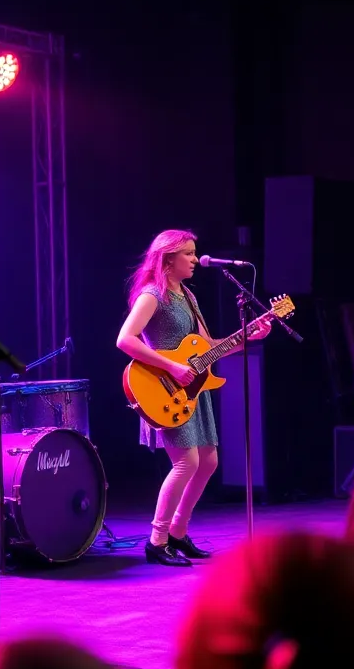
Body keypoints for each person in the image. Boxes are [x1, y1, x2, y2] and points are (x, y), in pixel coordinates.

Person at [116, 230, 271, 567]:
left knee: (209, 462)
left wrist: (250, 335)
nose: (194, 260)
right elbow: (125, 340)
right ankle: (156, 540)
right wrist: (171, 365)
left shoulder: (187, 296)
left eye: (193, 253)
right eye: (187, 253)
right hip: (162, 389)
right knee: (187, 463)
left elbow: (209, 346)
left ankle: (178, 532)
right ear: (167, 259)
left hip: (192, 389)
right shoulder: (152, 294)